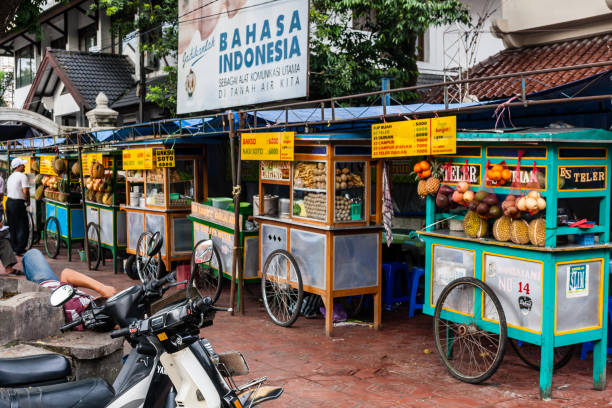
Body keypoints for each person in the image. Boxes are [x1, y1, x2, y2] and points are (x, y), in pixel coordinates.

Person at [22, 249, 117, 329]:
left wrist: (102, 288)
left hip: (45, 285)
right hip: (60, 287)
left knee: (32, 254)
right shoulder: (97, 319)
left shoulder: (73, 306)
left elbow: (66, 274)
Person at [6, 158, 30, 255]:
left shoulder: (11, 176)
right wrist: (28, 200)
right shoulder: (22, 176)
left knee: (12, 226)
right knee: (22, 226)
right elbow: (26, 191)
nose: (24, 166)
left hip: (9, 202)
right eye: (22, 165)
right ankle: (20, 249)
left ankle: (14, 247)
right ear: (18, 166)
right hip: (18, 203)